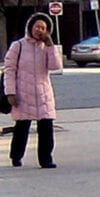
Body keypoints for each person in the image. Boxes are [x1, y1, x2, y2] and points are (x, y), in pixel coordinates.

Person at [4, 12, 63, 168]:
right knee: (22, 128)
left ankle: (46, 159)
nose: (39, 30)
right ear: (30, 27)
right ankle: (16, 156)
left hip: (43, 93)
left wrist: (51, 46)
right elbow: (9, 70)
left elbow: (55, 66)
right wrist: (10, 92)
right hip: (23, 93)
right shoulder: (19, 46)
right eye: (37, 26)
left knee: (46, 128)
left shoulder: (47, 47)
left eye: (43, 28)